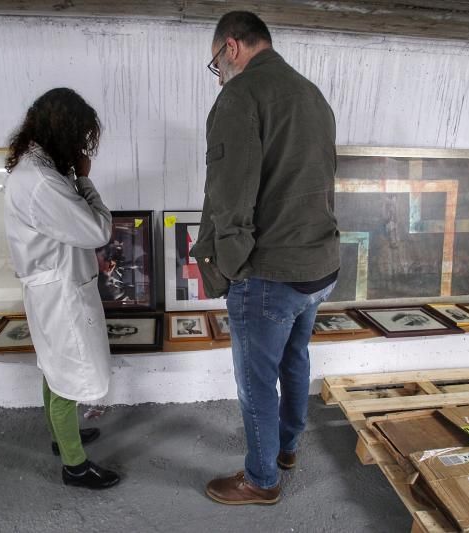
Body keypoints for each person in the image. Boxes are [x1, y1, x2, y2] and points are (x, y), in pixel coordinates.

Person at [191, 12, 340, 505]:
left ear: (231, 47)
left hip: (270, 270)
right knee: (295, 361)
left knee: (256, 382)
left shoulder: (240, 95)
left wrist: (232, 269)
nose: (220, 73)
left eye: (217, 63)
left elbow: (229, 196)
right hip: (318, 266)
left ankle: (261, 480)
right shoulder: (312, 94)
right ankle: (287, 449)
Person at [4, 88, 119, 490]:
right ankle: (74, 466)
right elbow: (97, 229)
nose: (83, 145)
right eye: (81, 136)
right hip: (60, 294)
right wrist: (85, 178)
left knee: (56, 369)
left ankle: (62, 436)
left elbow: (60, 235)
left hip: (53, 286)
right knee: (69, 374)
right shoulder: (41, 181)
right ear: (64, 131)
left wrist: (91, 259)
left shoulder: (36, 170)